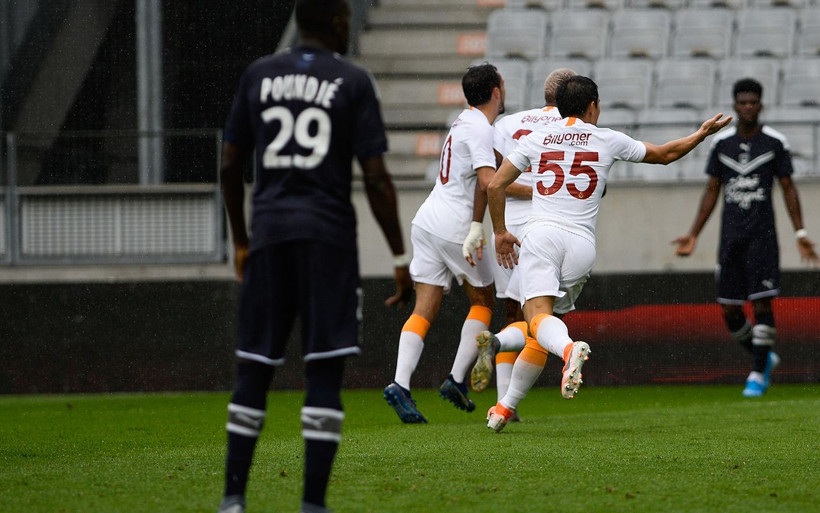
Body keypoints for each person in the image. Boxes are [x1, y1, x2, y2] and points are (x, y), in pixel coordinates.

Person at [216, 1, 413, 511]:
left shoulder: (258, 74)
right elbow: (374, 177)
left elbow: (231, 163)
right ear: (339, 21)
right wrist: (397, 253)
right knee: (323, 371)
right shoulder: (352, 81)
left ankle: (233, 499)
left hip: (270, 237)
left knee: (254, 369)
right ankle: (312, 504)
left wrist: (241, 239)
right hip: (327, 241)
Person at [486, 76, 731, 432]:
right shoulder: (608, 139)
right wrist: (700, 134)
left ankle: (569, 351)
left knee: (538, 319)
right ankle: (505, 408)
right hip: (582, 246)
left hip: (542, 236)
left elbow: (495, 184)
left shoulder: (537, 138)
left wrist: (500, 232)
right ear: (592, 107)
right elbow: (665, 155)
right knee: (542, 329)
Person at [673, 78, 818, 398]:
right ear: (735, 105)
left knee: (762, 302)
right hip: (731, 239)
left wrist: (801, 232)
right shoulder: (721, 144)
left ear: (760, 105)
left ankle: (757, 373)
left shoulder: (774, 143)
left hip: (763, 238)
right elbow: (712, 190)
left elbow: (788, 188)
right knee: (729, 309)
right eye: (742, 102)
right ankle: (763, 356)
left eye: (753, 102)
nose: (748, 107)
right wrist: (693, 233)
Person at [383, 63, 505, 424]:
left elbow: (479, 177)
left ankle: (399, 385)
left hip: (427, 221)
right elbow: (489, 182)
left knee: (424, 309)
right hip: (453, 226)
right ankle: (455, 379)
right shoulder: (481, 127)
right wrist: (479, 227)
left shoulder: (461, 120)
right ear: (496, 91)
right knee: (483, 300)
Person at [470, 69, 577, 419]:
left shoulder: (509, 123)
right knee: (542, 316)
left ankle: (504, 401)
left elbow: (493, 179)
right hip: (546, 221)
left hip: (508, 220)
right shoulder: (572, 130)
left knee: (513, 311)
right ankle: (502, 355)